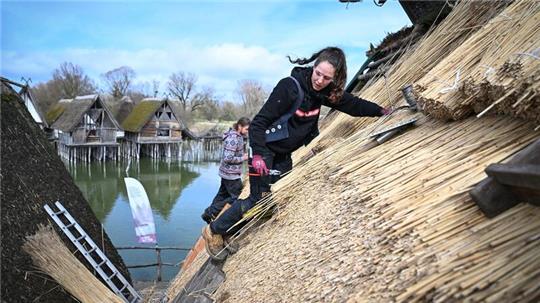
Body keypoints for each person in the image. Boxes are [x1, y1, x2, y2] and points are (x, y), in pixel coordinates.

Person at [202, 46, 391, 258]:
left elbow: (353, 104)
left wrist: (380, 111)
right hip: (264, 151)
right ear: (313, 66)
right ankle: (214, 230)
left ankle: (227, 225)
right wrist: (257, 155)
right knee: (258, 198)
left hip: (284, 155)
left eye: (326, 78)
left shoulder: (327, 93)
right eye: (317, 73)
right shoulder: (289, 87)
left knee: (270, 204)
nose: (319, 80)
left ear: (335, 79)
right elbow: (258, 124)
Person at [201, 117, 250, 224]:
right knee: (237, 197)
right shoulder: (233, 138)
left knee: (222, 195)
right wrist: (244, 158)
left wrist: (242, 155)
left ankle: (209, 216)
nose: (248, 132)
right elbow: (227, 158)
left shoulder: (238, 136)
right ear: (240, 127)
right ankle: (210, 213)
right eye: (246, 129)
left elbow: (233, 154)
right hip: (231, 175)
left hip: (227, 173)